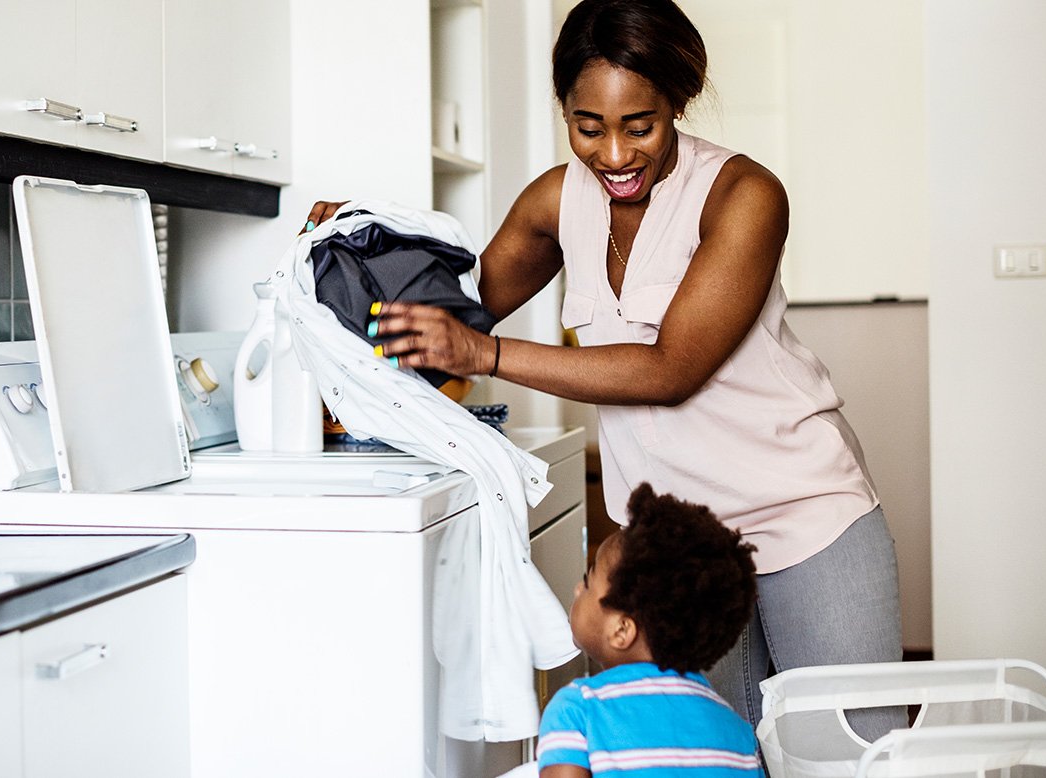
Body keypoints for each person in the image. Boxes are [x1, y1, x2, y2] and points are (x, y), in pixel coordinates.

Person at [306, 0, 904, 737]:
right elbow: (455, 311)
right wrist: (358, 239)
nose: (615, 156)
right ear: (565, 111)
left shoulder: (745, 196)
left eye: (639, 126)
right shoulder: (556, 202)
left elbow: (671, 369)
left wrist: (487, 357)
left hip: (803, 516)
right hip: (673, 548)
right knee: (696, 757)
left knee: (848, 754)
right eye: (588, 127)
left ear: (677, 102)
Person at [537, 482, 761, 777]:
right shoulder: (738, 734)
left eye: (588, 582)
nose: (578, 589)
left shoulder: (579, 709)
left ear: (621, 631)